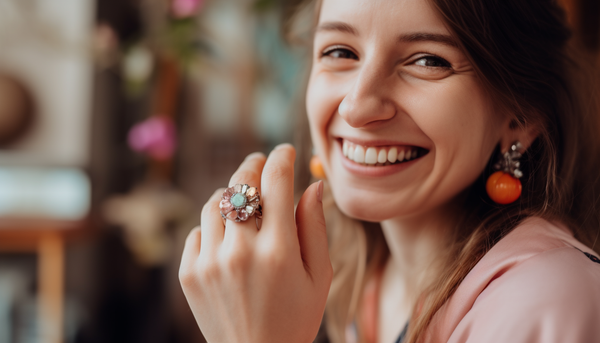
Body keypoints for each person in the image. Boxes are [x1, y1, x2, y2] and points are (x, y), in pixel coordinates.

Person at [179, 0, 600, 342]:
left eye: (429, 61)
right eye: (340, 51)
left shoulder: (551, 301)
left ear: (520, 117)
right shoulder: (351, 282)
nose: (356, 108)